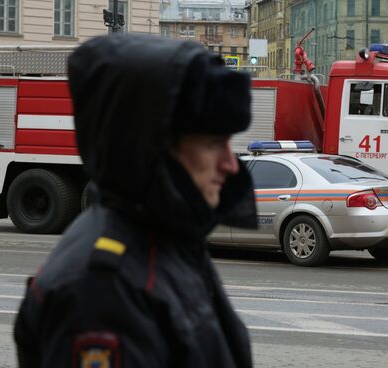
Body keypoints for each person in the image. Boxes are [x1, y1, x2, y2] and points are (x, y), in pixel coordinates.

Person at [14, 34, 257, 367]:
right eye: (213, 143)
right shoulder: (103, 289)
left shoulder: (165, 241)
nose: (231, 164)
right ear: (152, 149)